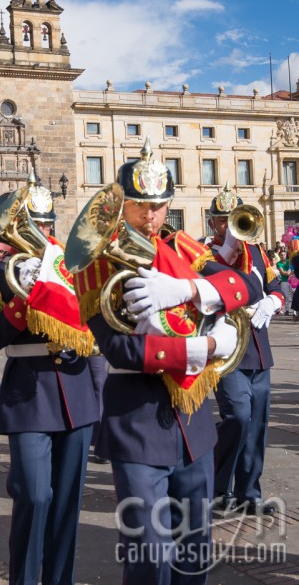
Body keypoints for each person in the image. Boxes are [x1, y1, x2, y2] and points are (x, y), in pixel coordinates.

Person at [68, 141, 263, 585]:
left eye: (157, 206)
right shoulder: (97, 261)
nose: (150, 217)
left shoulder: (183, 247)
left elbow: (245, 285)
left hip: (192, 423)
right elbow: (116, 349)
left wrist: (190, 292)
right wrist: (198, 351)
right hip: (136, 421)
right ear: (121, 204)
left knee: (194, 553)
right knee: (148, 553)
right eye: (139, 206)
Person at [0, 176, 99, 585]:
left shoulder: (72, 266)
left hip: (76, 391)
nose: (41, 233)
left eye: (46, 225)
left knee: (66, 504)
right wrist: (22, 301)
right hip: (29, 393)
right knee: (33, 495)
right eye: (33, 224)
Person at [206, 185, 284, 515]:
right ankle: (219, 487)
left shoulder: (257, 253)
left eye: (232, 219)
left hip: (258, 349)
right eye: (222, 221)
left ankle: (249, 493)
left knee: (257, 425)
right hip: (227, 351)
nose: (228, 227)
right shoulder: (204, 254)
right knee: (237, 416)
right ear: (213, 223)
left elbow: (275, 285)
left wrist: (272, 301)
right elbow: (222, 285)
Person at [276, 249, 292, 314]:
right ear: (279, 256)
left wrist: (289, 273)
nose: (283, 256)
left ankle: (295, 311)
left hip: (292, 281)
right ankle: (287, 310)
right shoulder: (278, 263)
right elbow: (282, 272)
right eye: (281, 255)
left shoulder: (289, 261)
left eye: (284, 255)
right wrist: (290, 273)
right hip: (284, 281)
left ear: (286, 255)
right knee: (286, 296)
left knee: (294, 296)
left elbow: (293, 269)